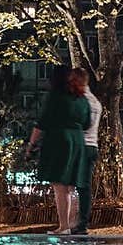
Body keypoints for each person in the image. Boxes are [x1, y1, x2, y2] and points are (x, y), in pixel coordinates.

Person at [24, 65, 89, 234]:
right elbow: (87, 122)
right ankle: (74, 223)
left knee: (60, 185)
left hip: (60, 140)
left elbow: (42, 122)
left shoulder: (56, 96)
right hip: (78, 141)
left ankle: (64, 226)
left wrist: (31, 145)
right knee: (71, 186)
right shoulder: (82, 98)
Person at [69, 67, 102, 235]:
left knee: (76, 185)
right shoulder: (95, 101)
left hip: (81, 146)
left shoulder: (81, 100)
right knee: (83, 186)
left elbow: (78, 124)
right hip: (92, 146)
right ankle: (79, 221)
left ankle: (79, 223)